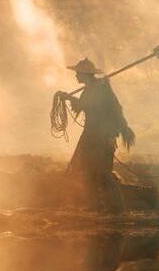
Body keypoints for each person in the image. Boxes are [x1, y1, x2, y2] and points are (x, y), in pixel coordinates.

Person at [57, 58, 135, 212]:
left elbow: (89, 106)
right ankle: (95, 206)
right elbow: (83, 106)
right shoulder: (91, 89)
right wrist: (69, 98)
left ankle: (118, 207)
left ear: (85, 74)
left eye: (78, 73)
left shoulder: (99, 89)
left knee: (104, 172)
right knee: (88, 171)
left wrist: (69, 98)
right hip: (91, 135)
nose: (76, 76)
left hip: (101, 136)